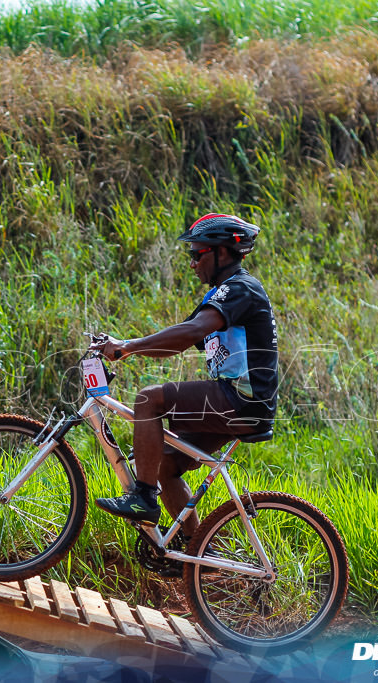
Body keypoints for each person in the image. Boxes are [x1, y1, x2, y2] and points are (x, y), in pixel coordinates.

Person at [92, 213, 279, 536]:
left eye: (197, 254)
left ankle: (143, 499)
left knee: (148, 400)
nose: (192, 263)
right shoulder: (224, 294)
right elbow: (181, 341)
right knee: (165, 463)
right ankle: (194, 553)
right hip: (239, 402)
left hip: (242, 400)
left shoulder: (240, 289)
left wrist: (127, 346)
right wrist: (127, 349)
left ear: (222, 252)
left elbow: (194, 329)